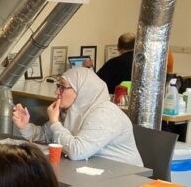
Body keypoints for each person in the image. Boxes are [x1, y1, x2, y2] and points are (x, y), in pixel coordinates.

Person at [12, 67, 143, 166]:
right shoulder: (73, 110)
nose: (56, 91)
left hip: (125, 177)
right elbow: (48, 136)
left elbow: (77, 151)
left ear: (82, 90)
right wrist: (25, 126)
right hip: (95, 171)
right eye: (58, 86)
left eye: (62, 87)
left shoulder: (105, 114)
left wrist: (55, 123)